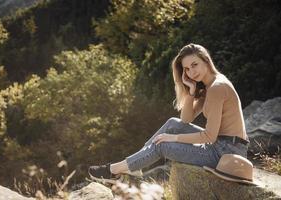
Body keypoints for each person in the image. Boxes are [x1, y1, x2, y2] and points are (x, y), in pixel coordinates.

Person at [88, 43, 249, 184]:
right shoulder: (209, 85)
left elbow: (209, 137)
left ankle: (113, 170)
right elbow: (185, 119)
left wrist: (173, 138)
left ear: (206, 61)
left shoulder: (217, 88)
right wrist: (192, 91)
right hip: (221, 145)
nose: (191, 72)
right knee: (173, 123)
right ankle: (134, 164)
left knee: (162, 145)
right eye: (187, 69)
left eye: (195, 65)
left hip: (226, 153)